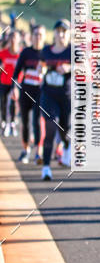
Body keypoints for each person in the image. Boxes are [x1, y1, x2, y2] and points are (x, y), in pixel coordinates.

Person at [39, 20, 72, 179]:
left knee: (64, 128)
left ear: (69, 34)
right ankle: (46, 167)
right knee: (51, 126)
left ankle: (66, 145)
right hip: (48, 95)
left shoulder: (73, 51)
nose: (61, 35)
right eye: (58, 31)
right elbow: (41, 65)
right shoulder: (46, 50)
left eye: (64, 32)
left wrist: (69, 68)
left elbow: (85, 68)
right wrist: (41, 68)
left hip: (66, 96)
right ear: (54, 34)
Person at [13, 24, 46, 163]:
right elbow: (16, 72)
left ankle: (39, 151)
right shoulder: (26, 52)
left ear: (44, 37)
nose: (37, 37)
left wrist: (44, 71)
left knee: (37, 121)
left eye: (40, 35)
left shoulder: (47, 52)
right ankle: (25, 149)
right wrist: (14, 88)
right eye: (35, 34)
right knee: (25, 121)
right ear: (31, 36)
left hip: (40, 91)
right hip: (26, 90)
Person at [0, 30, 21, 137]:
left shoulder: (21, 54)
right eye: (11, 37)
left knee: (13, 103)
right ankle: (3, 122)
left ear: (18, 40)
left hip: (16, 83)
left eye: (15, 38)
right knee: (3, 102)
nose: (13, 40)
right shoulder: (3, 53)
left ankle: (12, 123)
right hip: (4, 81)